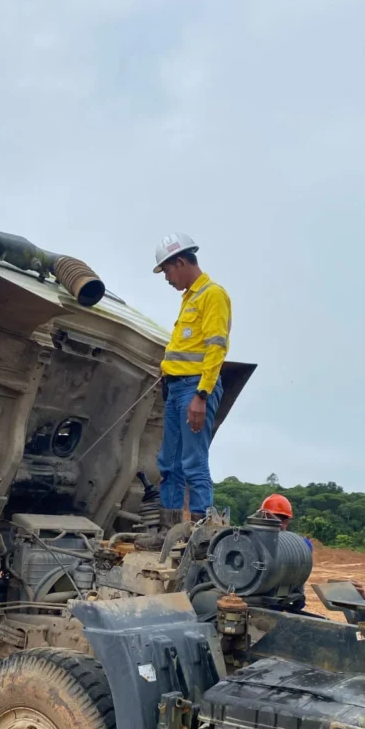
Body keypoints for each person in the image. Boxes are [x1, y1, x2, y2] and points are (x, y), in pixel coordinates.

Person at [139, 233, 231, 548]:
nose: (167, 278)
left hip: (195, 389)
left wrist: (201, 396)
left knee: (193, 462)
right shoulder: (190, 298)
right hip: (177, 387)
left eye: (167, 270)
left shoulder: (212, 294)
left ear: (180, 262)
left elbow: (216, 348)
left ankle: (202, 537)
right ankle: (170, 532)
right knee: (169, 464)